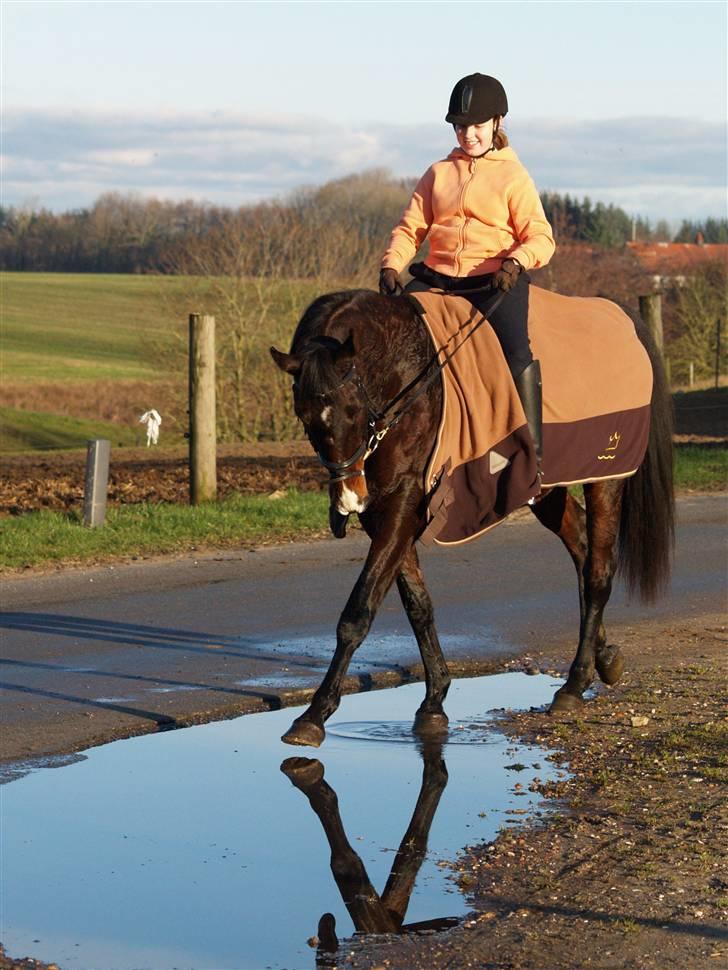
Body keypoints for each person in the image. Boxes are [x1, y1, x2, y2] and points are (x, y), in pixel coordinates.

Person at [379, 73, 555, 471]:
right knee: (393, 340)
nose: (468, 135)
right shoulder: (438, 173)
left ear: (497, 123)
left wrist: (516, 261)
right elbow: (411, 230)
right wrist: (392, 265)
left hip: (494, 278)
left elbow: (542, 238)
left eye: (476, 126)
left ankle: (533, 456)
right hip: (438, 277)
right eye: (460, 126)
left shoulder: (513, 177)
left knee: (514, 351)